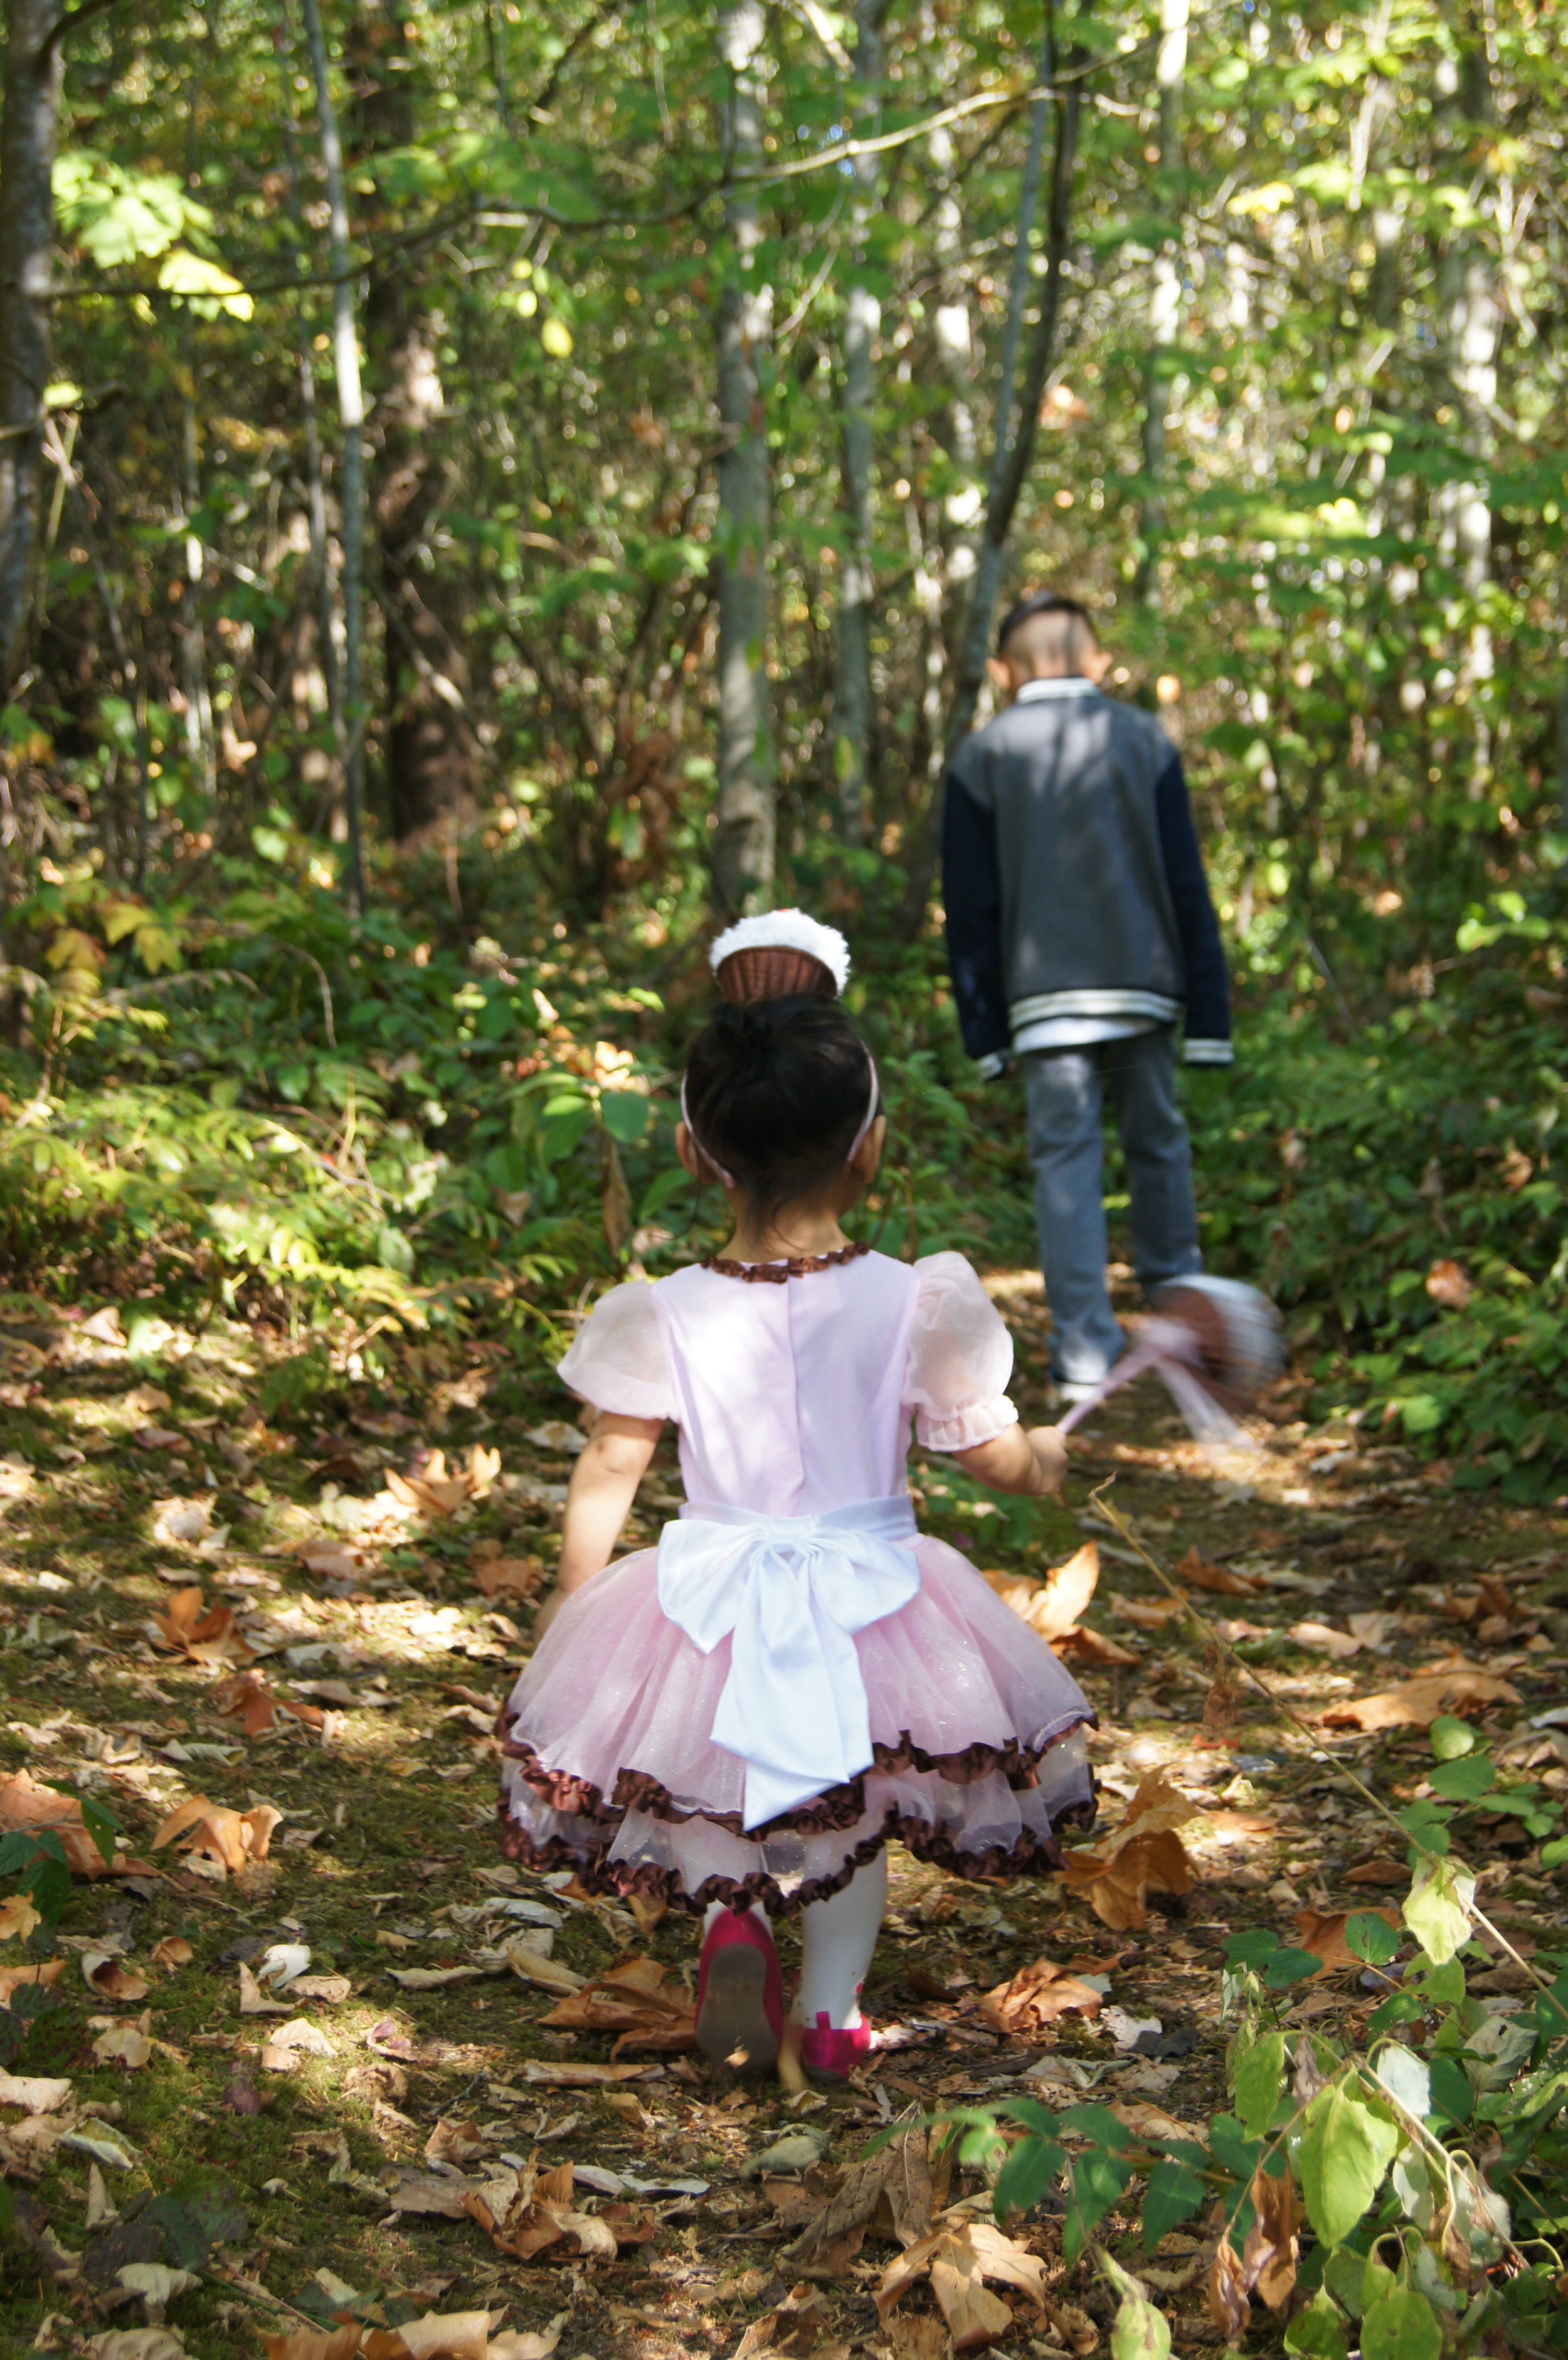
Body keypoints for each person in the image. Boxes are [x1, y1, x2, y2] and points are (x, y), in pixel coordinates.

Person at [497, 912, 1095, 2083]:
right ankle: (829, 2012)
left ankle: (733, 1924)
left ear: (693, 1150)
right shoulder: (916, 1300)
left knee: (708, 1773)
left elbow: (612, 1460)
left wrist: (575, 1593)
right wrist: (1044, 1464)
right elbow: (988, 1452)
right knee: (850, 1804)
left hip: (710, 1587)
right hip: (871, 1592)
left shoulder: (663, 1308)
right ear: (869, 1147)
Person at [942, 590, 1232, 1403]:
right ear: (1098, 661)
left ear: (1003, 670)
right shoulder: (1143, 738)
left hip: (1045, 1004)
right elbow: (1186, 880)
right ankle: (1183, 1320)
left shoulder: (983, 754)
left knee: (1065, 1163)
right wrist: (1209, 1013)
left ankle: (1082, 1351)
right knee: (1158, 1142)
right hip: (1144, 986)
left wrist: (983, 1029)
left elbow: (970, 906)